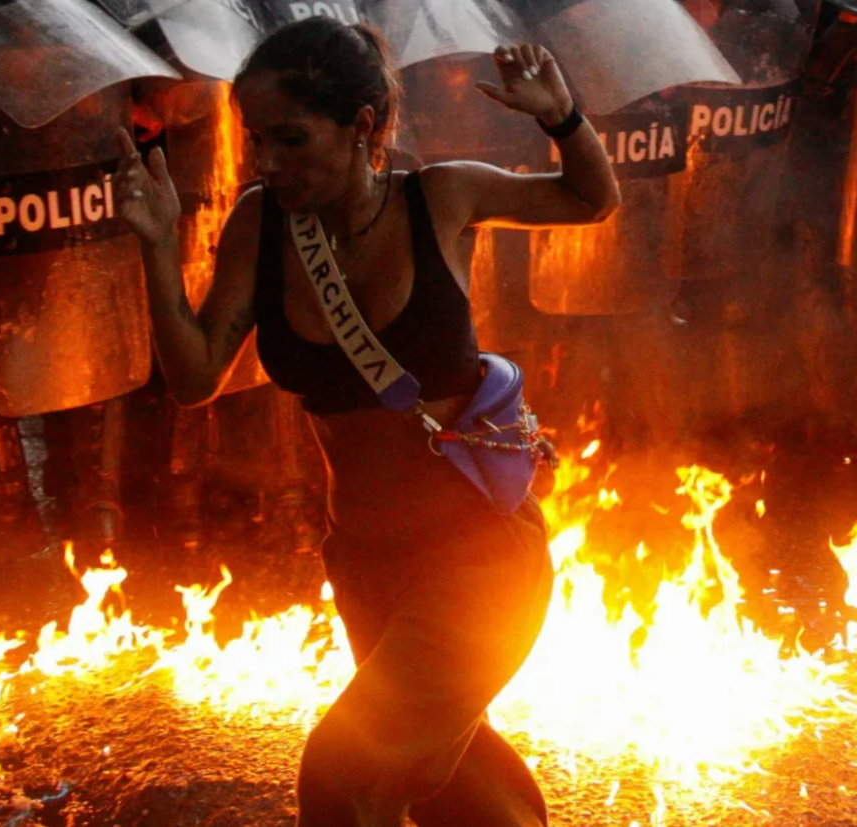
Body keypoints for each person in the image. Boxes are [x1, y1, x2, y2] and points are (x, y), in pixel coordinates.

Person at [114, 17, 619, 827]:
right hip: (366, 563)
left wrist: (560, 117)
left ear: (360, 126)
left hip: (479, 559)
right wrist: (153, 244)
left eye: (290, 139)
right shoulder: (260, 223)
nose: (267, 163)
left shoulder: (441, 197)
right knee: (452, 785)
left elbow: (590, 201)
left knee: (342, 771)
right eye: (257, 140)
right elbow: (194, 377)